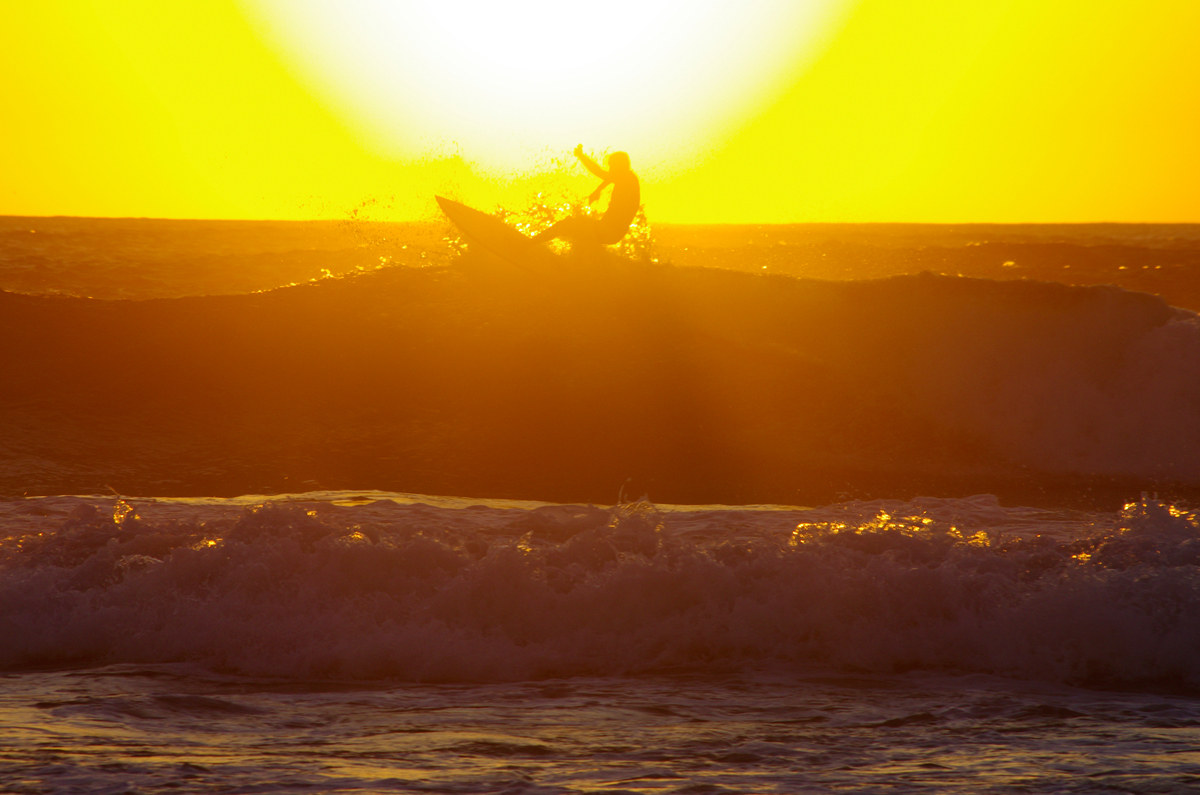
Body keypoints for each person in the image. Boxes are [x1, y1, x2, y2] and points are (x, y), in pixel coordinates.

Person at [534, 144, 640, 246]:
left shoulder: (627, 180)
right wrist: (598, 189)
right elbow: (606, 175)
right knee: (577, 228)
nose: (610, 168)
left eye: (612, 165)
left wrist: (581, 156)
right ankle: (580, 259)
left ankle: (529, 244)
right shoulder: (627, 177)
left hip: (606, 231)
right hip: (610, 232)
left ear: (620, 165)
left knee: (565, 225)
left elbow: (601, 173)